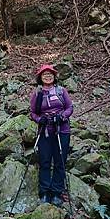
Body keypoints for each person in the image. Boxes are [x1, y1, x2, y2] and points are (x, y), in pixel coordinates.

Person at [29, 64, 73, 207]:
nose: (48, 76)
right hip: (45, 131)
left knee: (60, 160)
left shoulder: (61, 91)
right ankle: (45, 191)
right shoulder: (37, 94)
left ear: (54, 77)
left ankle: (57, 192)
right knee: (45, 161)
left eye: (50, 74)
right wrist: (39, 119)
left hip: (62, 129)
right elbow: (33, 112)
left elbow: (69, 108)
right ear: (40, 78)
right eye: (44, 74)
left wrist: (61, 117)